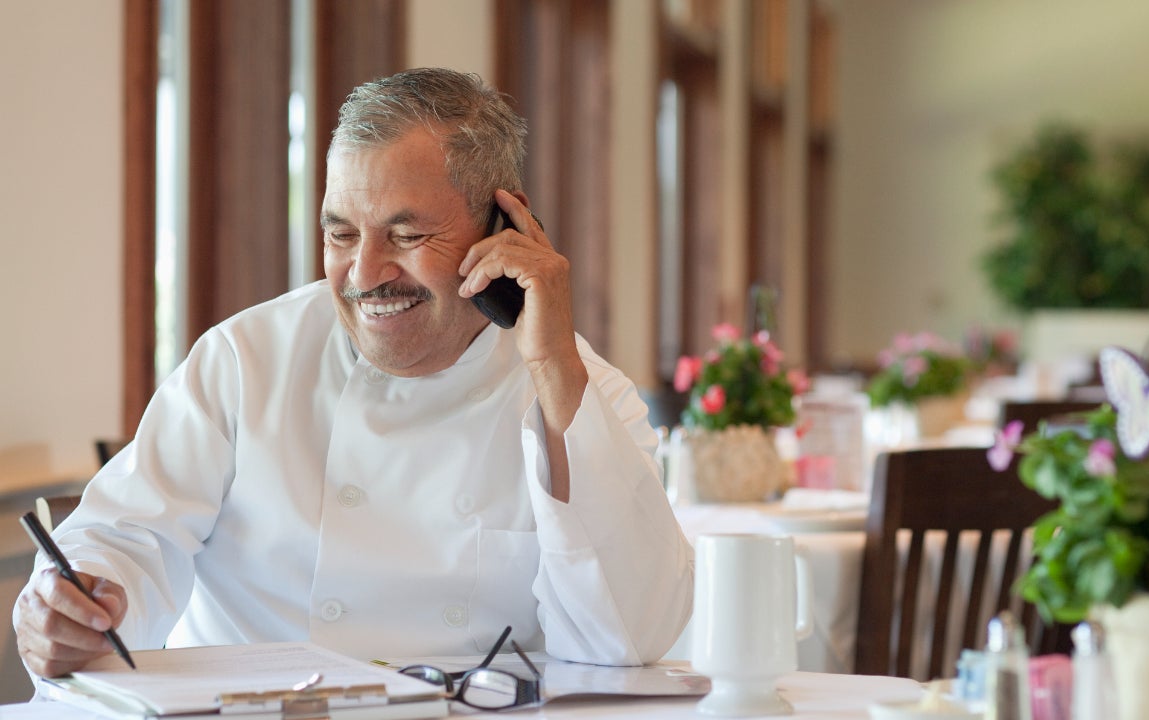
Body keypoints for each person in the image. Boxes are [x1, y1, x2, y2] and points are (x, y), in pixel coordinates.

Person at [13, 68, 694, 679]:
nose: (365, 275)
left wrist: (550, 366)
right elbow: (126, 535)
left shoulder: (584, 392)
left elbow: (628, 641)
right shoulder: (247, 359)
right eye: (341, 233)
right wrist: (75, 604)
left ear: (502, 226)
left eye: (405, 235)